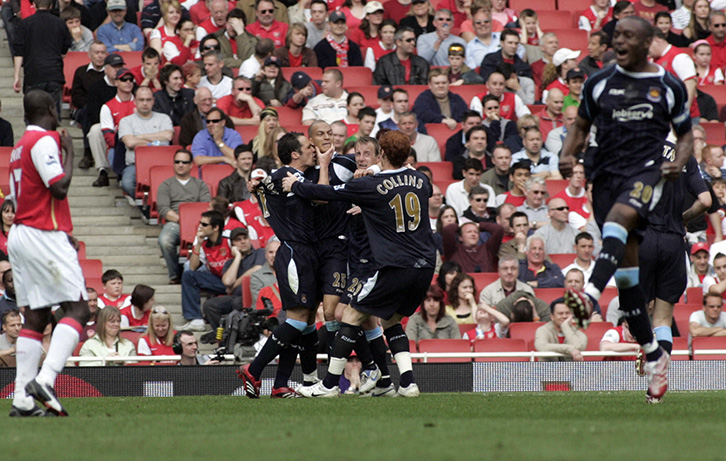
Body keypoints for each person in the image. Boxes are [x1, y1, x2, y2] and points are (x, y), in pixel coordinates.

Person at [561, 16, 693, 404]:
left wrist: (678, 162)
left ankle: (587, 293)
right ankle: (654, 355)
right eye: (616, 34)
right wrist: (568, 153)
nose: (619, 40)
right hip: (605, 176)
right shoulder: (598, 82)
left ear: (648, 42)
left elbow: (685, 136)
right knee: (629, 282)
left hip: (645, 174)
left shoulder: (667, 86)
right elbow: (580, 126)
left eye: (628, 36)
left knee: (620, 219)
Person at [282, 130, 436, 398]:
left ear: (383, 154)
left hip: (393, 264)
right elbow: (413, 184)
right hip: (424, 265)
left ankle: (329, 384)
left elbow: (325, 192)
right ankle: (407, 382)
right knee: (391, 320)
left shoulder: (370, 186)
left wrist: (294, 186)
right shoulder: (422, 180)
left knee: (350, 316)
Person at [8, 90, 89, 417]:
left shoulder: (18, 147)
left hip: (21, 233)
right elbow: (59, 186)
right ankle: (45, 379)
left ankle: (22, 400)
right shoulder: (43, 141)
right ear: (50, 110)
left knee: (37, 316)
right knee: (79, 309)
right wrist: (69, 151)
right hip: (41, 232)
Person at [157, 149, 212, 284]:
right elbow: (163, 209)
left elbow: (205, 206)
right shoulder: (166, 185)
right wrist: (183, 220)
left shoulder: (200, 185)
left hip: (198, 223)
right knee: (164, 240)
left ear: (191, 165)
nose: (180, 165)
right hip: (175, 222)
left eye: (184, 162)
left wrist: (192, 221)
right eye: (177, 162)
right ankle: (175, 274)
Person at [200, 226, 265, 339]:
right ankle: (226, 337)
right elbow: (227, 282)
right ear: (233, 244)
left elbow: (256, 269)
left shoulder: (260, 252)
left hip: (254, 296)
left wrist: (234, 285)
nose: (243, 241)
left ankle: (239, 337)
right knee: (210, 305)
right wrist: (238, 257)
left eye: (245, 238)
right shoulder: (230, 263)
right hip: (236, 296)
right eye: (238, 240)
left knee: (237, 303)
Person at [12, 0, 72, 116]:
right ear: (51, 5)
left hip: (33, 74)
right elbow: (65, 47)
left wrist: (16, 76)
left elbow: (19, 52)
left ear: (34, 5)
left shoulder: (25, 24)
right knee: (53, 114)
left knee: (32, 115)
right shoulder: (59, 23)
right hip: (54, 74)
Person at [179, 210, 232, 331]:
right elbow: (192, 267)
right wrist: (198, 244)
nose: (200, 227)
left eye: (204, 224)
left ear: (215, 228)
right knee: (189, 275)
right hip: (219, 281)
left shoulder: (228, 239)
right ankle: (195, 319)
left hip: (235, 282)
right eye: (200, 223)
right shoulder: (203, 244)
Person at [118, 86, 174, 197]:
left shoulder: (164, 118)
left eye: (148, 100)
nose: (145, 103)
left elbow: (168, 136)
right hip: (135, 165)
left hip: (161, 164)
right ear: (135, 101)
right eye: (141, 100)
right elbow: (130, 142)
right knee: (127, 183)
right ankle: (146, 209)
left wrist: (140, 137)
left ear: (153, 101)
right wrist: (154, 142)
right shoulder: (126, 121)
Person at [88, 67, 135, 188]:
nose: (128, 82)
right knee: (95, 130)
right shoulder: (108, 106)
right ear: (116, 83)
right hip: (120, 146)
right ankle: (103, 171)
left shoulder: (140, 103)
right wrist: (127, 141)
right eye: (124, 79)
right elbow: (109, 137)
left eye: (131, 79)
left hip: (139, 145)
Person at [191, 107, 243, 171]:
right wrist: (223, 159)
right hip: (208, 173)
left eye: (215, 121)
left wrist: (219, 141)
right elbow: (198, 160)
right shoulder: (200, 136)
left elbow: (237, 157)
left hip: (231, 173)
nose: (210, 124)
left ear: (223, 122)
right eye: (208, 121)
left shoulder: (233, 135)